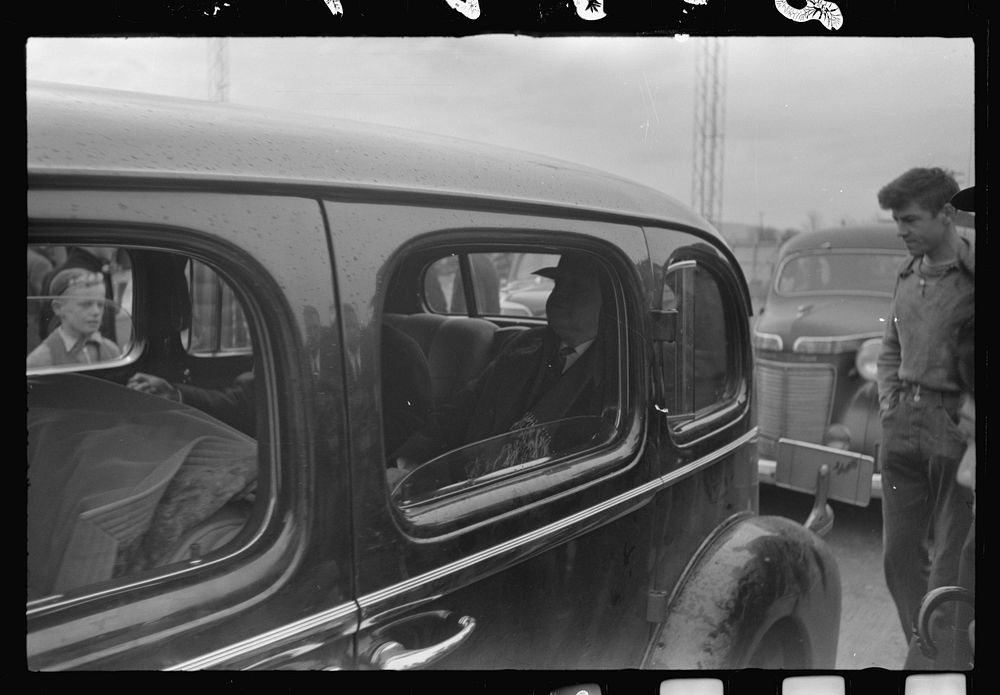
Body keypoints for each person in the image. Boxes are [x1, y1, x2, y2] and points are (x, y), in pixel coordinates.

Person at [391, 252, 609, 483]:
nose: (560, 296)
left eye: (577, 289)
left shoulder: (616, 371)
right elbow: (460, 410)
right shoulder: (525, 345)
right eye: (558, 285)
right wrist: (405, 463)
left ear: (608, 304)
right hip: (471, 483)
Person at [874, 168, 975, 670]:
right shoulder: (907, 273)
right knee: (897, 558)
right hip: (902, 426)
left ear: (947, 213)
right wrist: (888, 399)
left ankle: (931, 669)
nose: (902, 229)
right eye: (897, 220)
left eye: (910, 219)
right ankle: (938, 654)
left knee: (951, 565)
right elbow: (890, 345)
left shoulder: (977, 272)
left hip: (957, 428)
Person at [128, 317, 432, 448]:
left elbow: (412, 420)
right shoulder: (299, 340)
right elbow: (246, 401)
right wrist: (177, 393)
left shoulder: (397, 350)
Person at [27, 268, 123, 368]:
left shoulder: (112, 351)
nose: (96, 312)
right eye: (85, 304)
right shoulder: (40, 361)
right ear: (58, 308)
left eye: (100, 304)